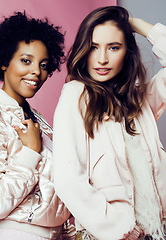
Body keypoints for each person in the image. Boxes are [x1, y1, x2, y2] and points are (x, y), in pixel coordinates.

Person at [53, 6, 166, 239]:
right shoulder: (76, 95)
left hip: (156, 230)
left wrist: (133, 24)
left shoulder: (139, 99)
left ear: (127, 51)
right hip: (113, 234)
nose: (102, 59)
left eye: (113, 47)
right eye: (94, 47)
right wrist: (119, 229)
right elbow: (66, 177)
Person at [0, 12, 75, 240]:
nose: (36, 71)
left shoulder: (38, 118)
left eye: (43, 64)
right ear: (4, 61)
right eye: (26, 60)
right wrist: (30, 153)